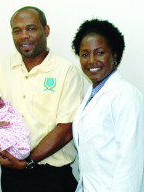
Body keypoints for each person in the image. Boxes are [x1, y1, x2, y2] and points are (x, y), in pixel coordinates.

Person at [0, 6, 84, 192]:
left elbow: (66, 129)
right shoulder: (4, 65)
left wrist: (28, 162)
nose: (24, 36)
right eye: (17, 31)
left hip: (52, 176)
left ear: (46, 30)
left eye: (31, 28)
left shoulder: (66, 71)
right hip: (12, 174)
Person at [71, 19, 144, 192]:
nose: (91, 61)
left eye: (100, 52)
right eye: (85, 54)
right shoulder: (92, 94)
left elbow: (130, 162)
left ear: (115, 55)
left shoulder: (125, 96)